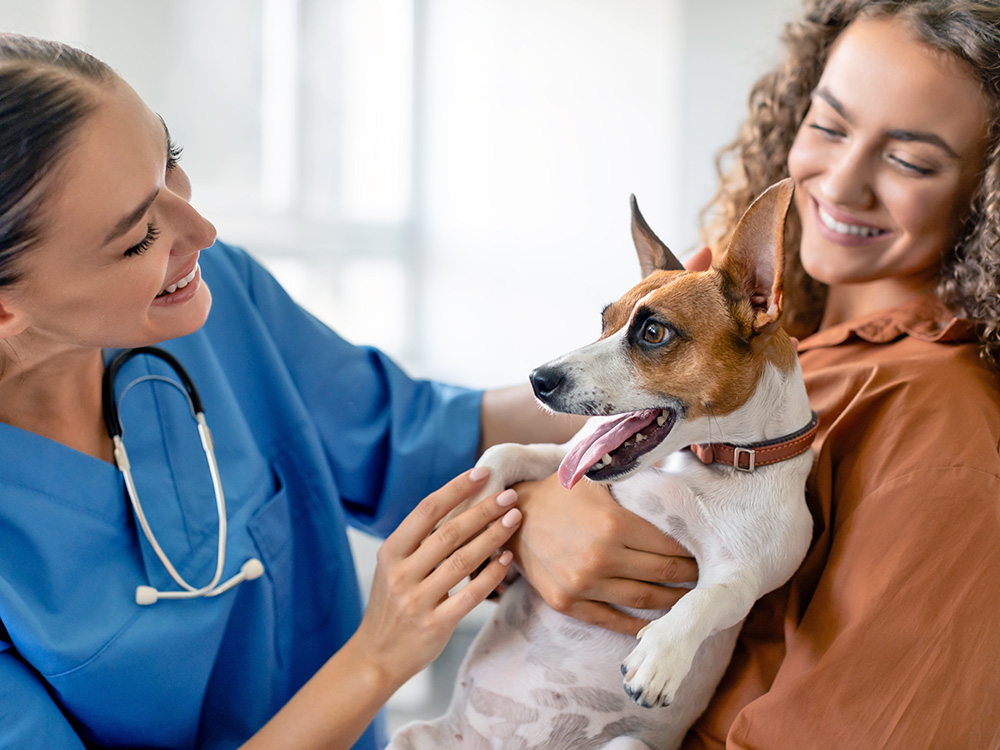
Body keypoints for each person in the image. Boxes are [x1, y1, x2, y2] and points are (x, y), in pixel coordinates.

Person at [0, 33, 696, 750]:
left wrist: (673, 360)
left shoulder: (215, 301)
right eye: (140, 235)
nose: (200, 230)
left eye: (170, 161)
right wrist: (380, 655)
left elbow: (417, 437)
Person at [511, 1, 1000, 747]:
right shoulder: (776, 334)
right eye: (829, 124)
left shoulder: (942, 428)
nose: (839, 182)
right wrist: (540, 515)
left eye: (909, 159)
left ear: (986, 198)